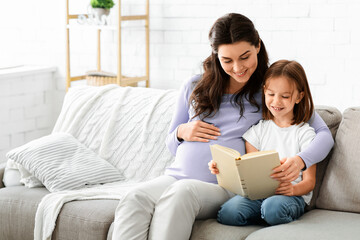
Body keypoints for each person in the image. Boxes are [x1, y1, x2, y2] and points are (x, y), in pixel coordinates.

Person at [112, 13, 333, 240]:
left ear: (257, 46)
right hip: (177, 176)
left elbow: (324, 135)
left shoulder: (270, 92)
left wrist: (301, 160)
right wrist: (181, 132)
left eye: (244, 57)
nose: (237, 68)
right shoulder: (194, 86)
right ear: (216, 55)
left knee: (182, 194)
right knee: (134, 197)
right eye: (227, 60)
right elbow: (171, 144)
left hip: (224, 187)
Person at [211, 60, 317, 226]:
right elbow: (249, 171)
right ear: (264, 92)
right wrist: (222, 168)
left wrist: (293, 190)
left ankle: (268, 216)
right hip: (259, 195)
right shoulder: (257, 131)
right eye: (271, 94)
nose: (276, 102)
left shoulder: (305, 134)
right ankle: (263, 216)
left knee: (272, 207)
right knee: (228, 213)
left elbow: (309, 182)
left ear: (299, 97)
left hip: (291, 197)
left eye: (285, 96)